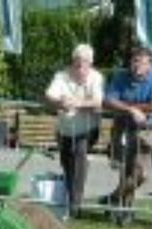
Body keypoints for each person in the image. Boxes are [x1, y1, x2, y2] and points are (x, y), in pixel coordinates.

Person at [102, 47, 152, 219]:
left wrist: (128, 107)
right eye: (134, 61)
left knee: (141, 173)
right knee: (125, 169)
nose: (137, 65)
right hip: (122, 127)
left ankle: (114, 197)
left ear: (150, 65)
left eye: (142, 62)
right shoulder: (120, 76)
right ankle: (126, 211)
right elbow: (108, 100)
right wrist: (131, 110)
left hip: (146, 130)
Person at [44, 43, 103, 218]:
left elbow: (97, 102)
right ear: (73, 61)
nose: (80, 68)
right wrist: (60, 102)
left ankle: (75, 206)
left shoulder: (96, 77)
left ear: (90, 64)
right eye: (77, 63)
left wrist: (77, 102)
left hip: (86, 129)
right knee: (67, 164)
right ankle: (70, 200)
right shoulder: (61, 76)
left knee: (78, 162)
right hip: (64, 129)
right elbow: (49, 95)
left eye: (84, 64)